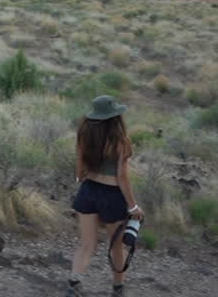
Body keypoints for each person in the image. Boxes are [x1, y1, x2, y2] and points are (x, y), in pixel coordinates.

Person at [67, 95, 144, 296]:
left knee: (86, 245)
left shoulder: (84, 134)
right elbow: (122, 177)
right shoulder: (120, 141)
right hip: (112, 196)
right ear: (115, 116)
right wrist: (133, 206)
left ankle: (73, 284)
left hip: (88, 190)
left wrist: (82, 181)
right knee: (116, 247)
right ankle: (118, 290)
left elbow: (79, 169)